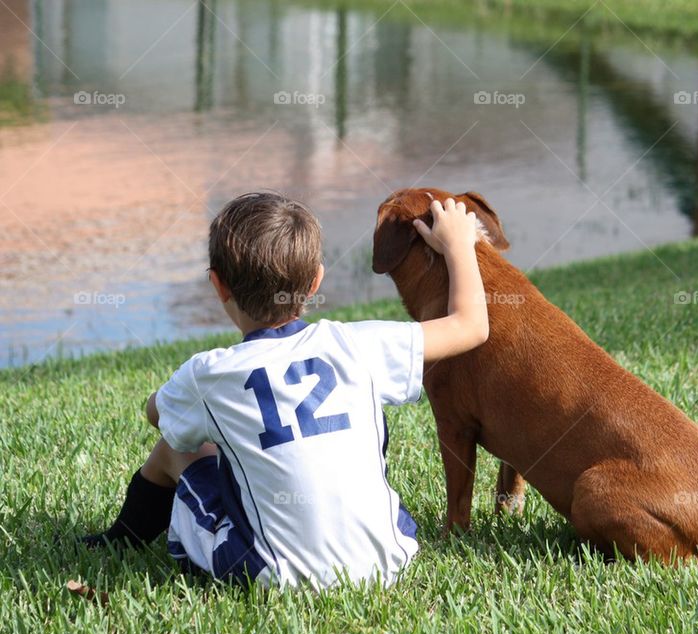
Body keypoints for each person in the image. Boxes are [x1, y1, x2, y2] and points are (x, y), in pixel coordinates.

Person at [81, 192, 488, 589]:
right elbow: (471, 326)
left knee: (176, 446)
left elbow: (157, 416)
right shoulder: (357, 343)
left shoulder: (208, 374)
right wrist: (458, 245)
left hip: (272, 575)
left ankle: (120, 540)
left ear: (218, 285)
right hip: (390, 558)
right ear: (315, 282)